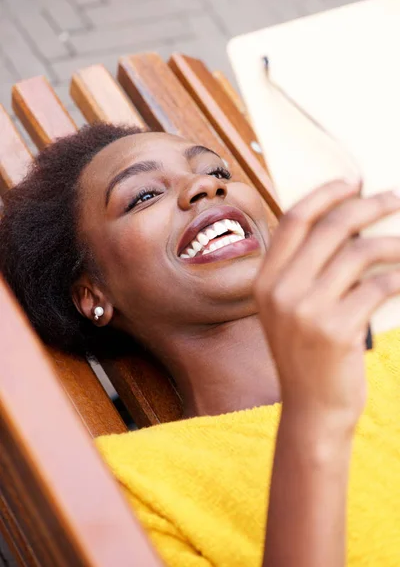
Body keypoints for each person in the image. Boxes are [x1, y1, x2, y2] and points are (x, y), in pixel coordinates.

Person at [1, 123, 399, 567]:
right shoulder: (129, 483)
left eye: (219, 172)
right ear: (94, 295)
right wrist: (313, 416)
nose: (204, 185)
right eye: (144, 196)